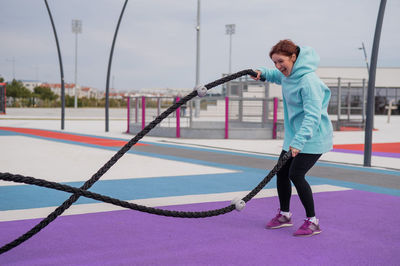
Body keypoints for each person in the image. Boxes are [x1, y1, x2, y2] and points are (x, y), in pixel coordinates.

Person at [252, 39, 333, 237]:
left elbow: (312, 117)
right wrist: (262, 73)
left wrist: (298, 143)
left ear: (294, 57)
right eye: (275, 63)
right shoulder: (289, 76)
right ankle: (285, 215)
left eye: (281, 61)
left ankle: (313, 221)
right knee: (281, 173)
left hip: (313, 138)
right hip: (295, 137)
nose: (278, 67)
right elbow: (276, 76)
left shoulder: (308, 81)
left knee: (296, 175)